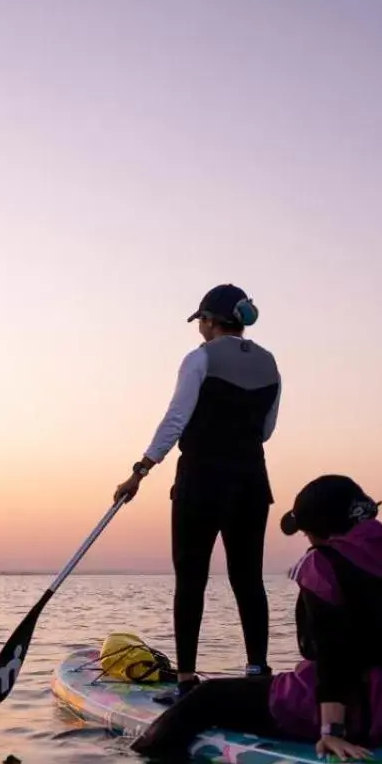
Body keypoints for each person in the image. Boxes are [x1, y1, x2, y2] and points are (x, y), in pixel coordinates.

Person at [132, 475, 382, 762]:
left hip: (348, 713)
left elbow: (334, 651)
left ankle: (142, 762)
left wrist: (331, 732)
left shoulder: (323, 563)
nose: (306, 541)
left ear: (321, 530)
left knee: (206, 697)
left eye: (306, 533)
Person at [113, 284, 281, 703]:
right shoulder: (271, 364)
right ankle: (257, 672)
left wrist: (141, 469)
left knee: (191, 579)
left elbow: (175, 420)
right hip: (251, 481)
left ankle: (186, 681)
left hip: (202, 479)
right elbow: (266, 431)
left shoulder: (199, 358)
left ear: (210, 320)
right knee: (249, 579)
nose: (199, 329)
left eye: (201, 321)